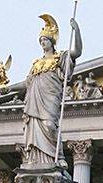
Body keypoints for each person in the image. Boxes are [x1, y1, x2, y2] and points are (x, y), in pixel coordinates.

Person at [22, 14, 82, 166]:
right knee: (35, 130)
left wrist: (76, 31)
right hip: (34, 101)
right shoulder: (36, 64)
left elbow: (76, 53)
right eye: (41, 40)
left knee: (50, 125)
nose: (43, 43)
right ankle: (36, 160)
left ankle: (58, 156)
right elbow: (26, 83)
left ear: (52, 42)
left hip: (50, 98)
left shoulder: (59, 57)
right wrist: (8, 89)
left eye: (45, 40)